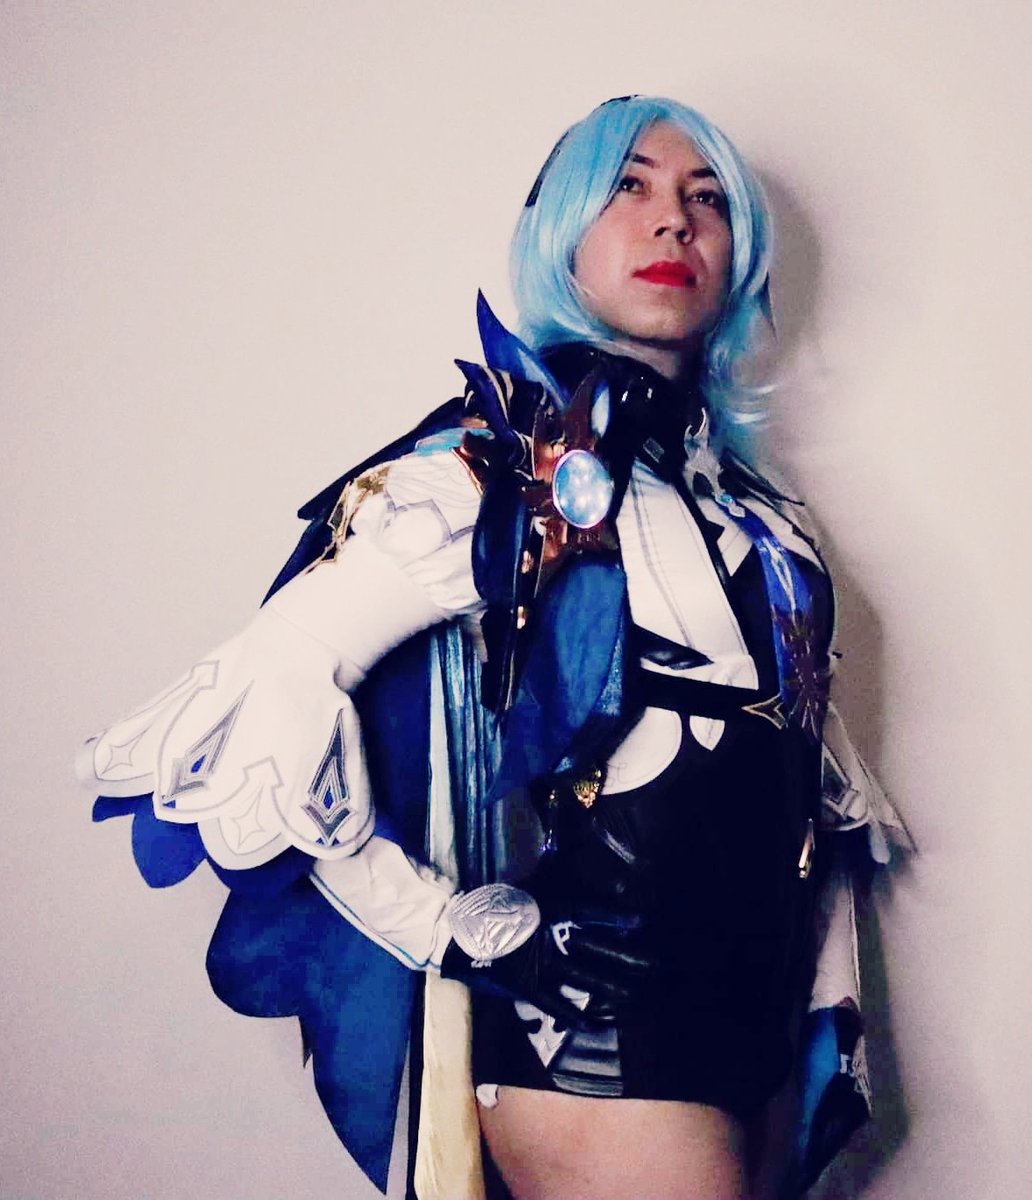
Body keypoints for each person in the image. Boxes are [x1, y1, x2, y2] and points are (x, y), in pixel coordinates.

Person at [78, 96, 904, 1200]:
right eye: (630, 187)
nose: (673, 220)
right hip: (593, 1043)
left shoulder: (762, 517)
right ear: (562, 232)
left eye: (706, 198)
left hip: (753, 1036)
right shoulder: (495, 470)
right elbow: (265, 697)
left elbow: (803, 790)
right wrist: (448, 929)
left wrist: (824, 1011)